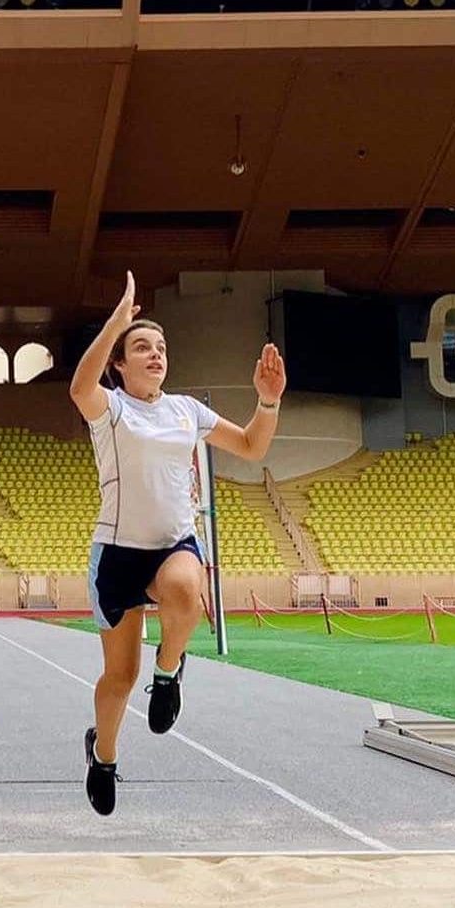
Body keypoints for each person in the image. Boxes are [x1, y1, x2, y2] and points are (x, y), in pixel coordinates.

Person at [68, 271, 285, 816]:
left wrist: (268, 402)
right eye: (141, 347)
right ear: (120, 363)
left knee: (189, 591)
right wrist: (116, 323)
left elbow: (253, 447)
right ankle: (104, 754)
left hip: (172, 544)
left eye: (161, 347)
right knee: (119, 677)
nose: (155, 354)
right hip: (117, 554)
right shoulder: (111, 409)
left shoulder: (186, 410)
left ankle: (169, 674)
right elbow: (79, 388)